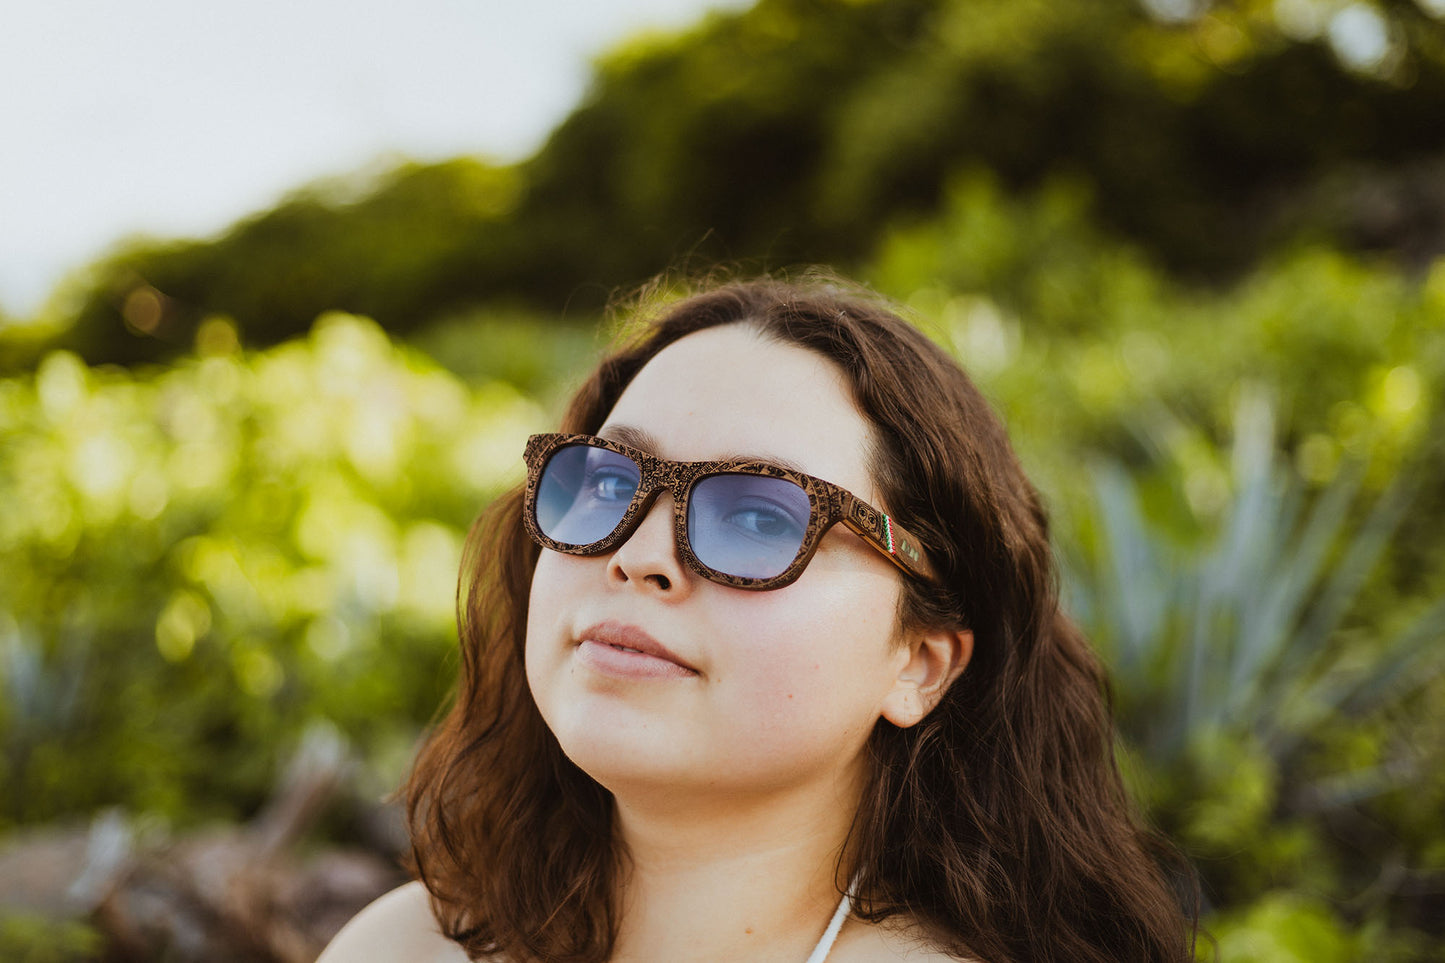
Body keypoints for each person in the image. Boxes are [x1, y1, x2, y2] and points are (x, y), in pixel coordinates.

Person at [320, 277, 1196, 963]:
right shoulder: (400, 945)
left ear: (920, 661)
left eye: (759, 515)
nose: (637, 554)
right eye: (607, 481)